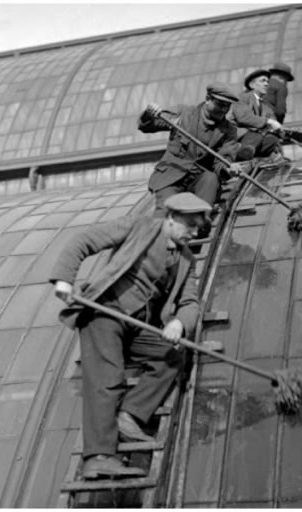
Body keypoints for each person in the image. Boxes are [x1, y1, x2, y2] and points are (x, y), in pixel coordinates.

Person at [50, 193, 209, 479]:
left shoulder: (187, 260)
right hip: (105, 311)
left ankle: (131, 415)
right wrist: (64, 278)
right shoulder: (138, 226)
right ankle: (99, 456)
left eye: (198, 227)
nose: (195, 232)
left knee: (172, 355)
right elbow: (83, 241)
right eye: (190, 225)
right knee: (107, 377)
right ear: (170, 218)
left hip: (138, 326)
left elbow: (190, 303)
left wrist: (180, 326)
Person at [138, 82, 244, 218]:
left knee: (211, 179)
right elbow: (148, 125)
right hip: (170, 177)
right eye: (220, 104)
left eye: (227, 106)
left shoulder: (229, 130)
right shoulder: (183, 113)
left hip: (199, 179)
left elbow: (223, 161)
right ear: (207, 99)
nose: (224, 110)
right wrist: (149, 114)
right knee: (165, 216)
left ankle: (200, 222)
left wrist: (229, 169)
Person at [229, 69, 285, 159]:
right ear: (252, 85)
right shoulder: (242, 98)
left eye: (267, 81)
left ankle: (252, 155)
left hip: (255, 141)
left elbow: (275, 124)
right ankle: (241, 155)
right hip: (237, 138)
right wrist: (269, 122)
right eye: (262, 81)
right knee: (256, 136)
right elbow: (243, 117)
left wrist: (283, 132)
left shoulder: (267, 108)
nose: (266, 84)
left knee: (272, 140)